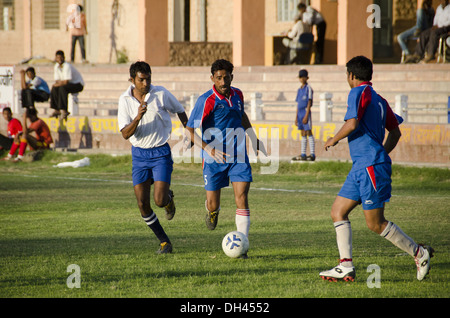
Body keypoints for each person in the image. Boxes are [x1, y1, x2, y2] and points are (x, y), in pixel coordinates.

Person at [319, 56, 433, 282]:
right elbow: (396, 132)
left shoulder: (357, 92)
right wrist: (380, 153)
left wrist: (334, 139)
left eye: (347, 75)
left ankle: (419, 253)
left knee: (375, 223)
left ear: (351, 75)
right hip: (363, 166)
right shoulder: (380, 100)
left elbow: (351, 124)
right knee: (338, 211)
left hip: (369, 166)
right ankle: (345, 266)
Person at [186, 59, 266, 258]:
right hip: (213, 160)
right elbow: (189, 130)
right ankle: (212, 212)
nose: (223, 82)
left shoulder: (238, 94)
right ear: (212, 78)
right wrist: (209, 150)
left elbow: (242, 115)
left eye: (226, 77)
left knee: (242, 197)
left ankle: (243, 246)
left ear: (232, 76)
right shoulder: (206, 100)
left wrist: (253, 137)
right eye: (219, 78)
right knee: (213, 203)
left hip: (238, 155)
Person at [118, 61, 188, 254]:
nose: (146, 82)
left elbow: (180, 110)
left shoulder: (160, 93)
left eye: (148, 78)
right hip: (139, 155)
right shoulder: (124, 100)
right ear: (132, 80)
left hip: (160, 152)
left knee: (159, 200)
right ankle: (164, 242)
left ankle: (168, 199)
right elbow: (125, 134)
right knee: (142, 204)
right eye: (141, 79)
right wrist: (138, 117)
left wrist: (189, 132)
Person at [50, 50, 84, 120]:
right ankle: (56, 109)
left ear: (64, 58)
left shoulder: (67, 66)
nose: (59, 59)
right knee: (54, 88)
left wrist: (58, 84)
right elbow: (57, 80)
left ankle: (64, 110)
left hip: (77, 84)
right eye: (57, 58)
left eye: (61, 57)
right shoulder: (56, 66)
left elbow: (66, 82)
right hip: (67, 84)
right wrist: (56, 84)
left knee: (62, 88)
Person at [292, 69, 315, 162]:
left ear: (307, 78)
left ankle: (312, 153)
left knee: (308, 131)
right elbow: (298, 104)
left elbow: (309, 102)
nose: (302, 79)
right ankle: (303, 153)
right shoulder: (299, 90)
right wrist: (296, 117)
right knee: (302, 132)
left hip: (306, 112)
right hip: (300, 113)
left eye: (303, 77)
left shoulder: (308, 88)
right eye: (300, 77)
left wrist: (306, 115)